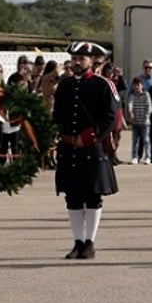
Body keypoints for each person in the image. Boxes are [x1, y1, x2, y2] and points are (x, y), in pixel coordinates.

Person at [52, 41, 118, 260]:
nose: (77, 62)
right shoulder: (65, 85)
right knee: (72, 196)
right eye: (74, 58)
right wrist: (57, 134)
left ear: (92, 61)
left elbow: (111, 117)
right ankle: (77, 241)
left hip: (92, 148)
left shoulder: (103, 84)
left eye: (82, 59)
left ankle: (90, 241)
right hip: (69, 147)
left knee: (92, 196)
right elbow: (58, 116)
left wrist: (89, 137)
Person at [124, 77, 152, 164]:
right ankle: (134, 157)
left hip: (145, 122)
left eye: (138, 85)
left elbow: (149, 107)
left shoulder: (146, 95)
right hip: (135, 122)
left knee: (146, 140)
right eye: (135, 85)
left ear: (141, 86)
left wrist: (146, 116)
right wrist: (130, 112)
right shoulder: (132, 95)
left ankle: (148, 157)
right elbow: (130, 104)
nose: (137, 87)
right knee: (135, 141)